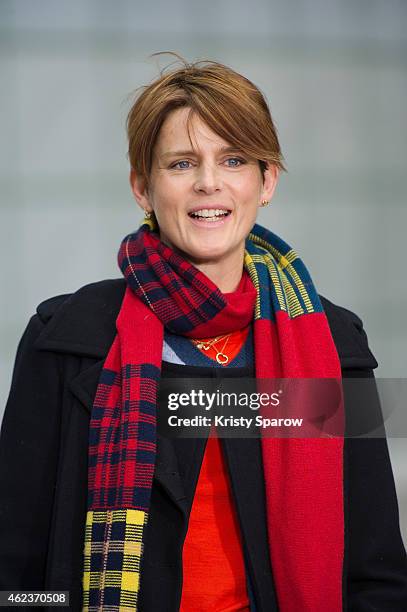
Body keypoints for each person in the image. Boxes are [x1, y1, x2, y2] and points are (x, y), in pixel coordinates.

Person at [0, 55, 406, 612]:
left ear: (266, 182)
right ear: (142, 187)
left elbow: (375, 569)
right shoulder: (67, 338)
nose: (209, 183)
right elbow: (15, 566)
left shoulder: (334, 345)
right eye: (182, 163)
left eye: (233, 159)